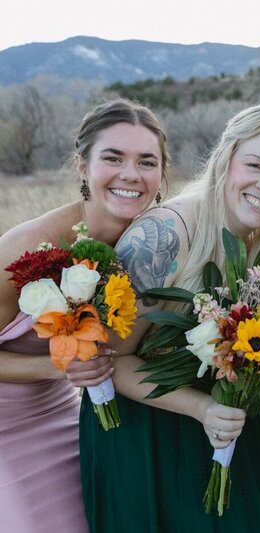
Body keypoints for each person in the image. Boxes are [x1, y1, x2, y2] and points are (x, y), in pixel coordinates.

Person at [79, 102, 260, 532]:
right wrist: (201, 408)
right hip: (147, 435)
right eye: (254, 164)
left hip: (227, 423)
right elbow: (108, 362)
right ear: (226, 158)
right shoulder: (163, 236)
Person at [0, 98, 167, 533]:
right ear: (81, 165)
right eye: (113, 158)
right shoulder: (27, 249)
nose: (130, 174)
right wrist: (61, 366)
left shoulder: (152, 248)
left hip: (67, 417)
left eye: (146, 162)